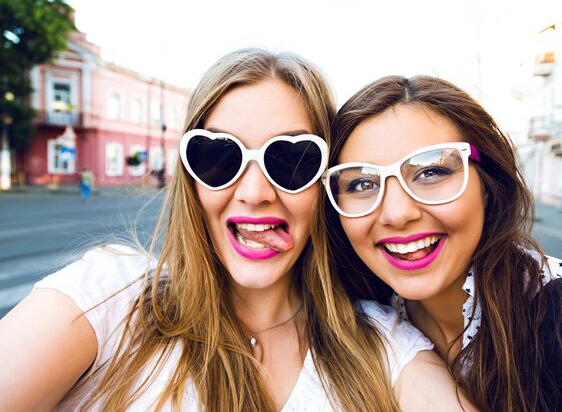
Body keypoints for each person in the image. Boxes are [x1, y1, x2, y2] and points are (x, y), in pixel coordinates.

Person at [0, 50, 472, 412]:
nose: (253, 192)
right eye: (220, 158)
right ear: (191, 178)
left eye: (290, 159)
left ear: (324, 184)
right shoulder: (106, 299)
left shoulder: (381, 344)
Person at [324, 75, 562, 412]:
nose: (396, 214)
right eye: (363, 182)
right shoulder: (354, 319)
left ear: (486, 184)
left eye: (431, 172)